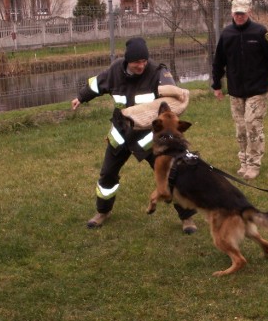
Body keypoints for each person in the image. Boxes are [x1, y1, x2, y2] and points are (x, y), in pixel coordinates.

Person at [71, 37, 198, 234]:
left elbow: (172, 95)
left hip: (150, 138)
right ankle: (102, 212)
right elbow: (96, 85)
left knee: (172, 174)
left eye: (144, 61)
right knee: (107, 175)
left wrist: (178, 94)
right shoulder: (114, 71)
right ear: (127, 61)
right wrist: (80, 97)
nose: (141, 65)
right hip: (121, 134)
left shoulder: (158, 72)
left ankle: (187, 218)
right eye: (137, 62)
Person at [211, 0, 268, 180]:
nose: (240, 16)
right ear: (232, 13)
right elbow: (218, 61)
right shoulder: (227, 34)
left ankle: (254, 164)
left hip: (257, 89)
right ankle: (243, 162)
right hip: (236, 91)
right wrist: (217, 85)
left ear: (249, 12)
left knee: (252, 125)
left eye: (243, 13)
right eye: (237, 13)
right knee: (241, 128)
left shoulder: (260, 32)